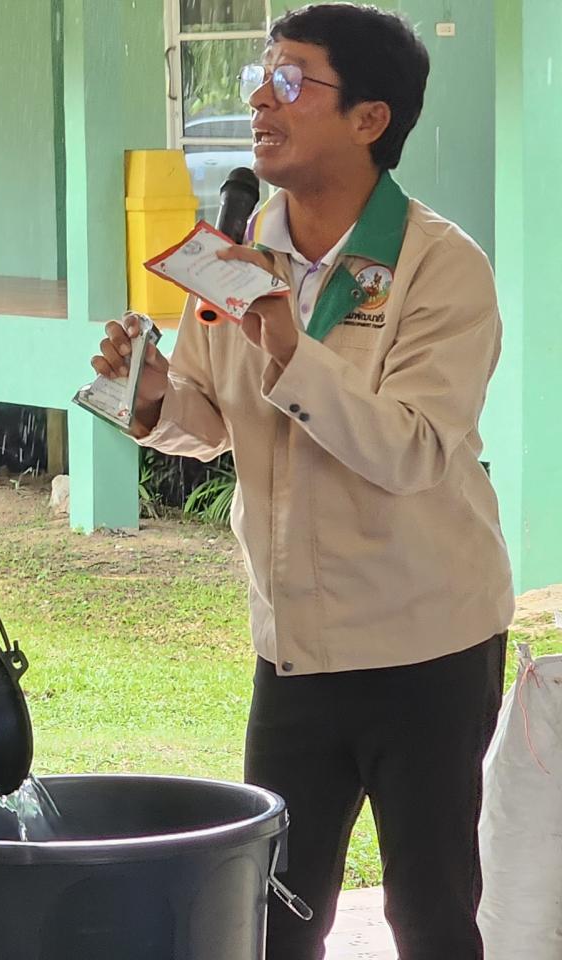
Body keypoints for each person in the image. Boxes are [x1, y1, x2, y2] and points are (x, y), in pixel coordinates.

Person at [93, 6, 511, 958]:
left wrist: (286, 341)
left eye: (291, 81)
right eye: (259, 76)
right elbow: (213, 419)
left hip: (426, 644)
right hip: (294, 649)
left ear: (371, 118)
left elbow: (411, 447)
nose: (259, 101)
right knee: (275, 914)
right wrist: (155, 399)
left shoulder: (441, 269)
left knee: (433, 913)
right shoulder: (233, 253)